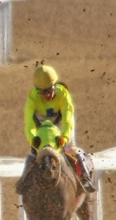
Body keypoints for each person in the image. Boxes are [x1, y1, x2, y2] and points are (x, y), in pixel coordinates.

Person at [15, 65, 96, 193]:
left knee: (69, 149)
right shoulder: (32, 98)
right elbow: (29, 123)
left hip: (60, 121)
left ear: (54, 86)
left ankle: (84, 177)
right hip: (41, 125)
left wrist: (64, 137)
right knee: (35, 154)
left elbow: (68, 120)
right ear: (37, 91)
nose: (46, 95)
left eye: (49, 90)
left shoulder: (63, 94)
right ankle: (23, 180)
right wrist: (32, 139)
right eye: (42, 92)